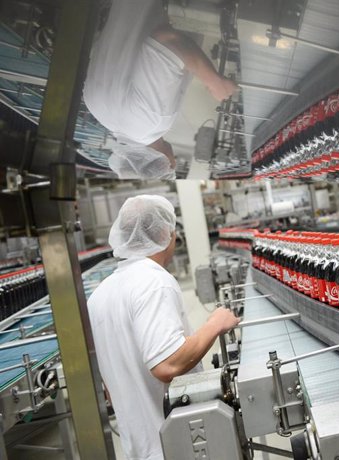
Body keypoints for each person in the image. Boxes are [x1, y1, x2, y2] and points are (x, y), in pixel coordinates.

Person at [87, 195, 239, 460]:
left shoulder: (100, 294)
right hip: (174, 445)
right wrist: (214, 324)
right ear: (163, 232)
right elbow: (166, 365)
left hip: (139, 448)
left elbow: (108, 387)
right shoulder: (153, 282)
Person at [83, 0, 237, 179]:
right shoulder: (96, 109)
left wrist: (215, 82)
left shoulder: (151, 123)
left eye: (172, 167)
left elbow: (166, 40)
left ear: (168, 163)